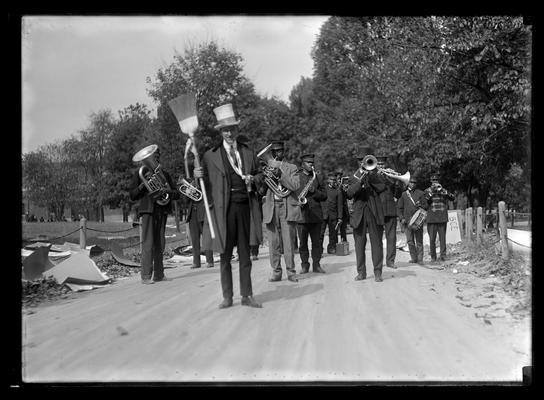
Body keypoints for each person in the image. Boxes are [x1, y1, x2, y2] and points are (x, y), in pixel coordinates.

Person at [194, 103, 264, 309]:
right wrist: (196, 175)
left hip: (245, 209)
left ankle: (247, 295)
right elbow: (202, 184)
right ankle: (227, 296)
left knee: (245, 254)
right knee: (224, 255)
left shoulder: (248, 153)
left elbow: (261, 174)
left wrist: (254, 178)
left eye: (232, 129)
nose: (229, 133)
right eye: (225, 130)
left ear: (237, 130)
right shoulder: (209, 155)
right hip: (223, 211)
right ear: (220, 132)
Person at [129, 145, 180, 284]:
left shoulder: (165, 174)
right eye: (153, 156)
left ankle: (159, 274)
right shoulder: (140, 173)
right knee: (148, 244)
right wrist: (143, 185)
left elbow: (176, 194)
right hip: (148, 211)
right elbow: (132, 195)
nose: (155, 158)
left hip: (161, 211)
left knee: (160, 244)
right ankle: (146, 276)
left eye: (157, 155)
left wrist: (166, 191)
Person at [260, 140, 301, 283]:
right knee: (273, 242)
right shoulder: (266, 168)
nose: (279, 153)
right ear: (272, 153)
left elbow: (295, 185)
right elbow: (260, 190)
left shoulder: (292, 167)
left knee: (288, 241)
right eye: (276, 151)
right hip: (271, 207)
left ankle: (291, 272)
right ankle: (276, 272)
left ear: (284, 152)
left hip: (287, 207)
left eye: (281, 151)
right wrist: (264, 177)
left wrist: (281, 175)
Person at [345, 147, 387, 282]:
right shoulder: (353, 177)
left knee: (377, 244)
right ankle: (361, 272)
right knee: (359, 245)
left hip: (374, 213)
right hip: (359, 215)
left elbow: (382, 188)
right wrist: (361, 181)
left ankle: (378, 272)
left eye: (365, 160)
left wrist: (372, 177)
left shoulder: (376, 175)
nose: (363, 163)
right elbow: (350, 193)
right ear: (358, 162)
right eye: (360, 161)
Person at [295, 154, 327, 274]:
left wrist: (315, 191)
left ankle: (316, 265)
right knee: (302, 243)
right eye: (308, 163)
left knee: (316, 242)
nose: (311, 165)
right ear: (303, 164)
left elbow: (325, 196)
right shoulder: (296, 177)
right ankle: (304, 265)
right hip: (301, 215)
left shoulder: (317, 177)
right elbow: (292, 194)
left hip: (316, 215)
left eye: (312, 162)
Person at [183, 165, 214, 269]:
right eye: (194, 172)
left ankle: (210, 260)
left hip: (203, 211)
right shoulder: (191, 183)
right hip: (193, 213)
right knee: (194, 239)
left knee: (206, 237)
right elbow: (186, 201)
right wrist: (189, 189)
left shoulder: (204, 181)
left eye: (197, 171)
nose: (195, 173)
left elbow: (208, 191)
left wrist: (199, 180)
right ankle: (196, 262)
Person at [376, 155, 404, 269]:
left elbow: (398, 194)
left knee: (392, 237)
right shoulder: (372, 177)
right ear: (376, 165)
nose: (381, 166)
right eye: (379, 164)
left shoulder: (390, 178)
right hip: (378, 210)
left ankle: (390, 261)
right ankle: (378, 261)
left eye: (383, 164)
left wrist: (396, 181)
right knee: (377, 238)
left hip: (391, 210)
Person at [423, 173, 455, 263]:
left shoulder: (443, 190)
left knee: (442, 238)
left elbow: (453, 198)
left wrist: (446, 193)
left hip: (442, 218)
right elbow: (425, 202)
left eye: (436, 180)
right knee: (432, 239)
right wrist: (431, 193)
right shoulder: (427, 191)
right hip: (431, 218)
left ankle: (443, 256)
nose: (435, 182)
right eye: (433, 180)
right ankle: (433, 257)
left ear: (438, 181)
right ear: (431, 181)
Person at [397, 175, 426, 265]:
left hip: (418, 221)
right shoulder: (404, 194)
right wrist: (401, 218)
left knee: (419, 241)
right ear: (408, 183)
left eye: (414, 182)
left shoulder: (420, 193)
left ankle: (420, 259)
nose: (412, 184)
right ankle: (414, 258)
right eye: (411, 182)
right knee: (410, 241)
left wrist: (420, 204)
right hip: (407, 221)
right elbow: (399, 208)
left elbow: (426, 206)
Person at [321, 172, 343, 254]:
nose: (333, 181)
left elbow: (340, 205)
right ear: (328, 180)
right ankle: (319, 249)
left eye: (334, 180)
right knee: (320, 234)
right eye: (331, 179)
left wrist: (340, 217)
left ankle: (332, 247)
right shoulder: (323, 189)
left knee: (333, 233)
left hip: (333, 215)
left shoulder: (338, 191)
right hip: (323, 215)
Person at [335, 169, 350, 243]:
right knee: (334, 230)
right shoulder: (334, 188)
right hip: (335, 211)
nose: (339, 180)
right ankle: (334, 245)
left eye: (340, 178)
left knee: (343, 229)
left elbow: (348, 197)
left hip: (343, 211)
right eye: (338, 179)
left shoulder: (342, 187)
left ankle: (344, 243)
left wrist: (345, 189)